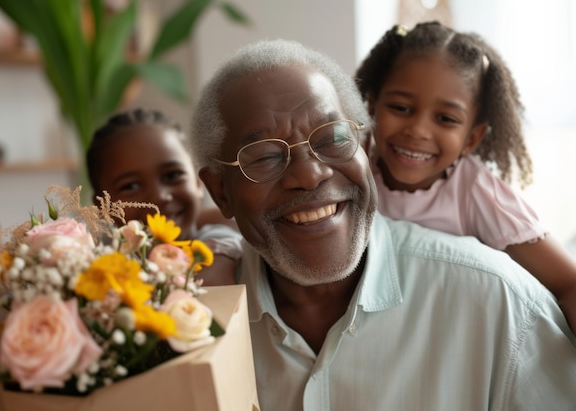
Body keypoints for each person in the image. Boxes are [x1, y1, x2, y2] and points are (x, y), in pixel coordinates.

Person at [189, 39, 576, 411]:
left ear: (366, 148)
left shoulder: (501, 306)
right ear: (221, 192)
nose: (309, 174)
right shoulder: (184, 323)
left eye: (333, 137)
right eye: (264, 156)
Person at [354, 21, 576, 331]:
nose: (417, 130)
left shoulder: (475, 192)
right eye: (401, 107)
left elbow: (569, 283)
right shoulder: (356, 171)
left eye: (445, 118)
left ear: (472, 139)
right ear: (372, 107)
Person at [86, 108, 241, 285]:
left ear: (198, 181)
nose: (159, 197)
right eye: (131, 186)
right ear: (102, 207)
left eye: (172, 175)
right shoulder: (91, 267)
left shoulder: (217, 249)